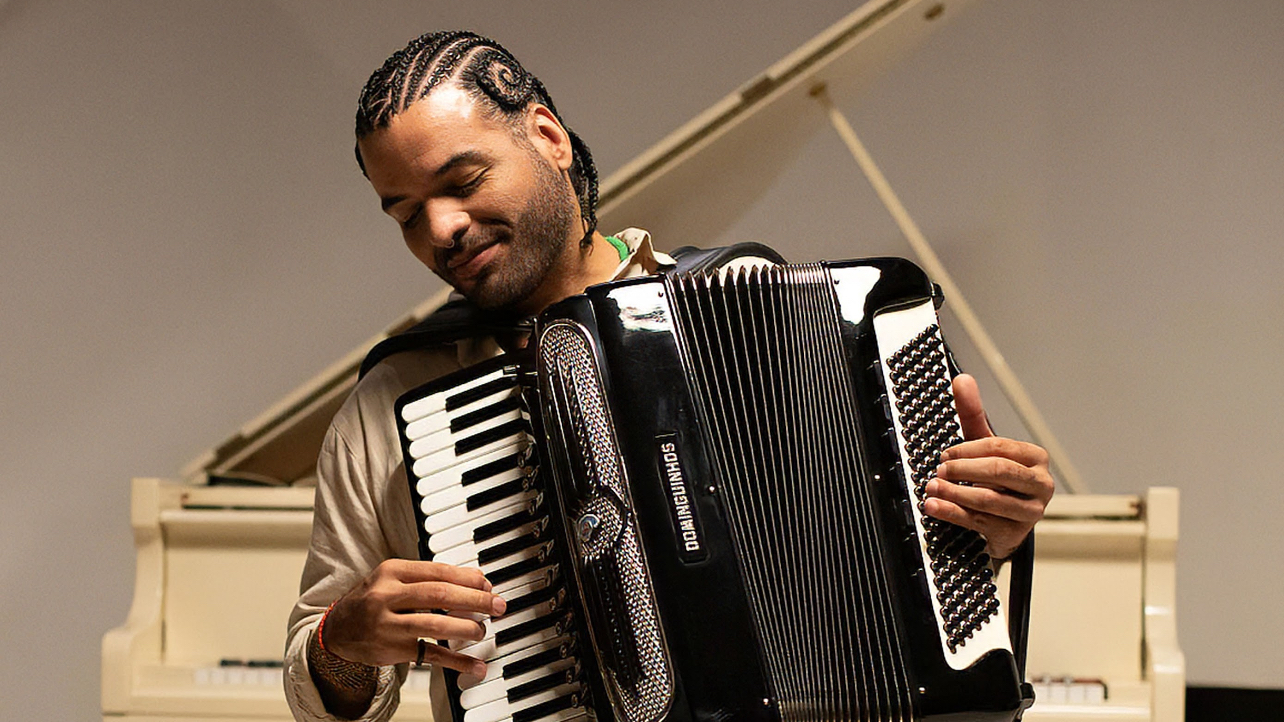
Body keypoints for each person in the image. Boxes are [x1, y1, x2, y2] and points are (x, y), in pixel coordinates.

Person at [284, 30, 1055, 722]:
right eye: (406, 213)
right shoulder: (390, 405)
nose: (440, 228)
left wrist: (991, 525)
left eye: (462, 181)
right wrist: (340, 641)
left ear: (548, 138)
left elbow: (891, 564)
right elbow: (320, 692)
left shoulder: (760, 310)